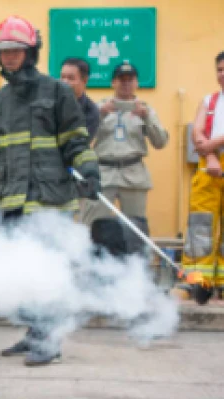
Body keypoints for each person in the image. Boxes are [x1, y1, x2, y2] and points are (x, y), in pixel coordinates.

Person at [0, 16, 101, 366]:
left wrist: (89, 169)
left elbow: (75, 140)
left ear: (31, 51)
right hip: (12, 199)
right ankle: (35, 332)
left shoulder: (56, 91)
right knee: (21, 274)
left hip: (50, 199)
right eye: (4, 51)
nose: (10, 57)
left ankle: (50, 342)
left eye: (17, 50)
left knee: (48, 273)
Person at [79, 62, 168, 254]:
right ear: (113, 82)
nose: (126, 84)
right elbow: (82, 139)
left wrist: (146, 118)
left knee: (135, 229)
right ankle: (85, 268)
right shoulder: (99, 107)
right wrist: (100, 115)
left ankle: (136, 272)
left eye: (130, 80)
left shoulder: (145, 109)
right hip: (103, 172)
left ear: (137, 83)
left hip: (133, 173)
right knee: (90, 225)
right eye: (121, 80)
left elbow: (161, 142)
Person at [181, 51, 224, 290]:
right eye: (219, 69)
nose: (222, 74)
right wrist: (210, 155)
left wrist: (212, 144)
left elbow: (207, 139)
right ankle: (198, 283)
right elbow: (197, 132)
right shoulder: (209, 101)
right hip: (209, 169)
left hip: (214, 159)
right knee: (200, 226)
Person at [60, 58, 101, 139]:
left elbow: (81, 143)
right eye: (62, 77)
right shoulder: (49, 102)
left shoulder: (90, 111)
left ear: (85, 80)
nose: (65, 82)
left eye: (71, 78)